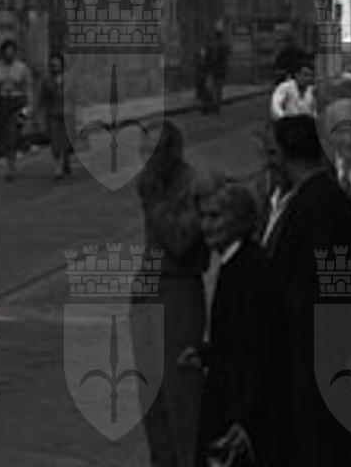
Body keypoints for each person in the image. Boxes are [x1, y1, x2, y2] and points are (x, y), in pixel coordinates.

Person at [263, 113, 351, 465]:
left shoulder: (315, 204)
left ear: (285, 155)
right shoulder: (320, 196)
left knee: (317, 443)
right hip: (320, 345)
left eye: (272, 152)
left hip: (314, 349)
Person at [190, 173, 287, 466]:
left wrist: (244, 419)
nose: (206, 226)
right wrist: (207, 353)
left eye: (215, 217)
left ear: (238, 219)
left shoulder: (247, 270)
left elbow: (259, 349)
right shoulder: (237, 262)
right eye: (202, 216)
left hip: (238, 410)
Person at [136, 121, 209, 467]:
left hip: (179, 289)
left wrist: (157, 200)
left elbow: (179, 239)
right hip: (148, 289)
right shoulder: (149, 183)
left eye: (152, 152)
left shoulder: (193, 184)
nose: (146, 161)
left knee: (181, 396)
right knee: (152, 398)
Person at [0, 38, 32, 180]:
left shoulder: (22, 68)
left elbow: (28, 88)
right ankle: (10, 161)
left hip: (18, 102)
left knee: (13, 132)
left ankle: (11, 167)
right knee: (3, 134)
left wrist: (29, 107)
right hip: (2, 102)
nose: (9, 54)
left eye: (12, 51)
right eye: (7, 51)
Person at [39, 52, 73, 179]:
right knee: (55, 141)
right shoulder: (47, 81)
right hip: (53, 114)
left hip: (68, 114)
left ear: (62, 65)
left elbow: (74, 97)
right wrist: (40, 114)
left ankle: (66, 159)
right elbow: (42, 98)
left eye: (57, 65)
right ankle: (57, 167)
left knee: (67, 140)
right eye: (52, 65)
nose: (55, 68)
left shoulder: (69, 79)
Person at [269, 48, 318, 122]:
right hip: (289, 123)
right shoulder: (285, 87)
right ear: (297, 75)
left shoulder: (311, 91)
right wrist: (283, 118)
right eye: (305, 75)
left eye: (310, 76)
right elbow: (275, 105)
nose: (308, 78)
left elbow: (316, 110)